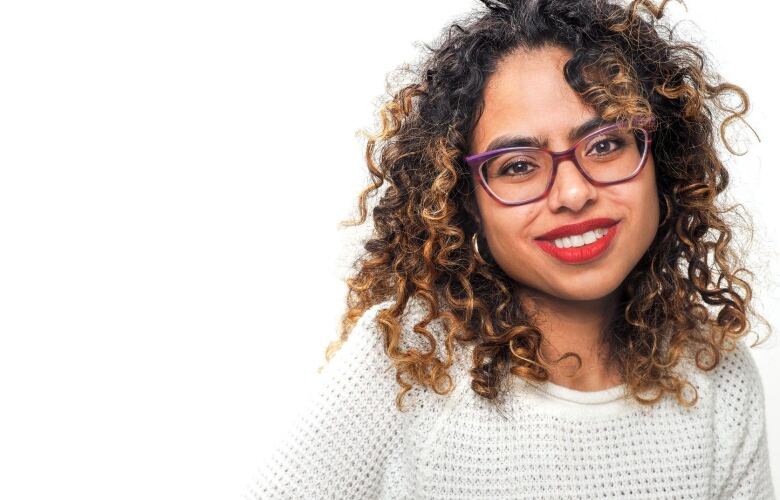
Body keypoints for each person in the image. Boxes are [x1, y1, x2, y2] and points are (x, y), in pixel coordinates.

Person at [247, 0, 775, 498]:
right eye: (518, 165)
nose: (573, 193)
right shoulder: (405, 363)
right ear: (466, 201)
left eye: (607, 144)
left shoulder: (717, 374)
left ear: (664, 159)